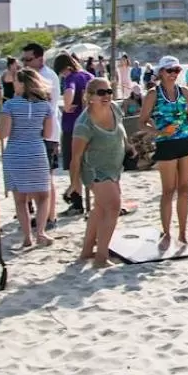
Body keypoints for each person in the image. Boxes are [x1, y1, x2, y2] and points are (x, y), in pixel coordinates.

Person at [138, 55, 188, 250]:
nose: (173, 74)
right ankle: (167, 233)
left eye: (176, 70)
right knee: (168, 191)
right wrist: (159, 132)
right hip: (165, 144)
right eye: (169, 70)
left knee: (185, 189)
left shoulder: (184, 91)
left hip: (185, 141)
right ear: (161, 72)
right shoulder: (153, 94)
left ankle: (183, 233)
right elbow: (141, 121)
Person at [0, 67, 56, 248]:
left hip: (16, 152)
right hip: (36, 151)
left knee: (20, 199)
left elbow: (4, 133)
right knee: (43, 196)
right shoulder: (45, 106)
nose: (13, 83)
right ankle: (40, 232)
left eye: (16, 81)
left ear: (23, 83)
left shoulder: (9, 105)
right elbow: (47, 133)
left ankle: (27, 236)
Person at [73, 76, 126, 268]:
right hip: (94, 170)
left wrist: (130, 148)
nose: (106, 96)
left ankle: (87, 251)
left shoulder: (114, 108)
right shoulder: (84, 124)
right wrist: (74, 184)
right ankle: (101, 258)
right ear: (89, 96)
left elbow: (121, 132)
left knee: (100, 208)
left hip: (113, 167)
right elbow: (75, 157)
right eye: (101, 92)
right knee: (113, 206)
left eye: (109, 91)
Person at [19, 42, 64, 228]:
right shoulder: (34, 75)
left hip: (47, 133)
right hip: (37, 132)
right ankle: (43, 215)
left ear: (40, 58)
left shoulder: (46, 76)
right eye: (24, 60)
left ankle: (50, 217)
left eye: (29, 59)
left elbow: (42, 105)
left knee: (46, 177)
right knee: (37, 177)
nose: (26, 63)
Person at [55, 53, 92, 216]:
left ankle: (77, 202)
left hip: (73, 126)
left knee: (73, 165)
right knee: (90, 164)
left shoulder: (71, 78)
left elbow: (70, 91)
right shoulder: (89, 76)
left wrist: (67, 105)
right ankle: (92, 201)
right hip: (91, 125)